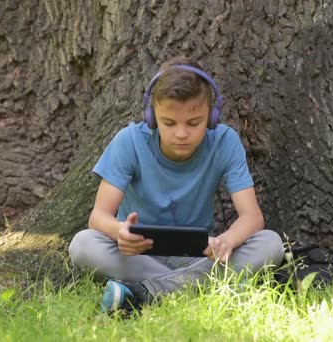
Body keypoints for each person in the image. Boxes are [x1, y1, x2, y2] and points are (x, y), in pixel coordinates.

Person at [68, 56, 284, 314]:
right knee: (82, 245)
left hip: (200, 256)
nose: (181, 133)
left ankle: (144, 294)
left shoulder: (225, 141)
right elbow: (98, 217)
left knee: (271, 243)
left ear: (212, 117)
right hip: (138, 256)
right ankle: (205, 288)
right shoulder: (129, 141)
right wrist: (119, 232)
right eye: (169, 123)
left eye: (194, 123)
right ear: (152, 116)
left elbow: (252, 217)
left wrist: (227, 240)